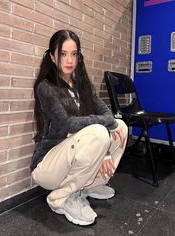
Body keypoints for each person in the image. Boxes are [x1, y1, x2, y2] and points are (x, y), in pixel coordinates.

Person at [31, 29, 128, 226]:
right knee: (100, 131)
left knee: (122, 127)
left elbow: (108, 116)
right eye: (63, 54)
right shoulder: (46, 87)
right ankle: (61, 197)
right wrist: (105, 146)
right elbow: (67, 124)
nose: (69, 60)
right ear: (52, 56)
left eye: (74, 54)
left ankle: (89, 186)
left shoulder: (82, 85)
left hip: (72, 155)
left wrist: (107, 145)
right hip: (48, 164)